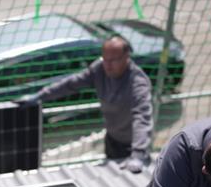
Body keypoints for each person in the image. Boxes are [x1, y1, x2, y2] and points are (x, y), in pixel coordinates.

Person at [16, 35, 152, 173]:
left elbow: (141, 118)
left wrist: (138, 154)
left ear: (126, 57)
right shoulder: (99, 68)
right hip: (111, 140)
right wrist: (40, 96)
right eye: (105, 59)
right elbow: (71, 84)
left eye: (113, 60)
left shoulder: (137, 84)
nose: (108, 65)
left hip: (132, 147)